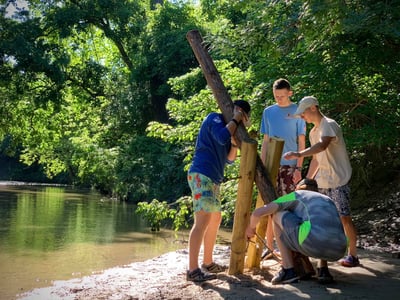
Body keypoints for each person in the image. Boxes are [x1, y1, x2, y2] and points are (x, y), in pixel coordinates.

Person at [283, 96, 360, 267]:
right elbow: (317, 158)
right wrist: (307, 180)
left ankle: (353, 255)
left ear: (312, 108)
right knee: (324, 219)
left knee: (344, 218)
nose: (302, 117)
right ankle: (325, 256)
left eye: (303, 113)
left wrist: (298, 154)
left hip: (339, 179)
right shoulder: (312, 132)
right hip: (323, 181)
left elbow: (323, 146)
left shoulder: (329, 124)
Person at [186, 100, 251, 282]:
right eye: (243, 118)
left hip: (213, 179)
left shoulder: (227, 128)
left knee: (215, 218)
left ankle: (208, 263)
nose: (241, 122)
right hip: (202, 174)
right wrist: (236, 119)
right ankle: (192, 269)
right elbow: (221, 137)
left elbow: (230, 160)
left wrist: (235, 145)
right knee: (203, 220)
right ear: (238, 112)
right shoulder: (214, 118)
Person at [246, 179, 347, 285]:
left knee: (276, 214)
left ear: (297, 188)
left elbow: (258, 213)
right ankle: (323, 270)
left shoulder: (297, 195)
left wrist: (251, 228)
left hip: (313, 242)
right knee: (320, 224)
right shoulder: (327, 199)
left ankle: (288, 270)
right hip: (340, 249)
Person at [260, 78, 306, 256]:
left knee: (287, 206)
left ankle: (291, 247)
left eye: (281, 96)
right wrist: (263, 166)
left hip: (290, 165)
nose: (278, 99)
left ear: (290, 93)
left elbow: (301, 140)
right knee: (271, 203)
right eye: (276, 96)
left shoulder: (297, 111)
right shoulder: (268, 112)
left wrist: (299, 168)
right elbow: (265, 141)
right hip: (272, 165)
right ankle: (270, 247)